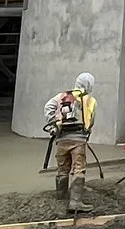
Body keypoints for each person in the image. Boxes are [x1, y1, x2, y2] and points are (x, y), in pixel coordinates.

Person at [42, 72, 99, 213]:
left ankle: (61, 196)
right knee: (78, 168)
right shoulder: (90, 100)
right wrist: (87, 133)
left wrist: (53, 124)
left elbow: (48, 107)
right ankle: (75, 202)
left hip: (61, 138)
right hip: (78, 139)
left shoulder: (61, 96)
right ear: (89, 85)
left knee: (62, 167)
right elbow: (91, 121)